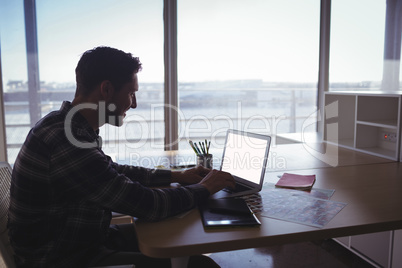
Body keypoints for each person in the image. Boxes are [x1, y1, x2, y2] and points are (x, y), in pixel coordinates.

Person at [8, 46, 236, 268]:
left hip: (84, 240)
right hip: (68, 259)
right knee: (199, 264)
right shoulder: (66, 140)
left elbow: (111, 171)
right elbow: (147, 205)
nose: (134, 104)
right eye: (131, 93)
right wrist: (206, 188)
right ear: (106, 89)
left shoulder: (68, 126)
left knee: (181, 241)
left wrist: (178, 175)